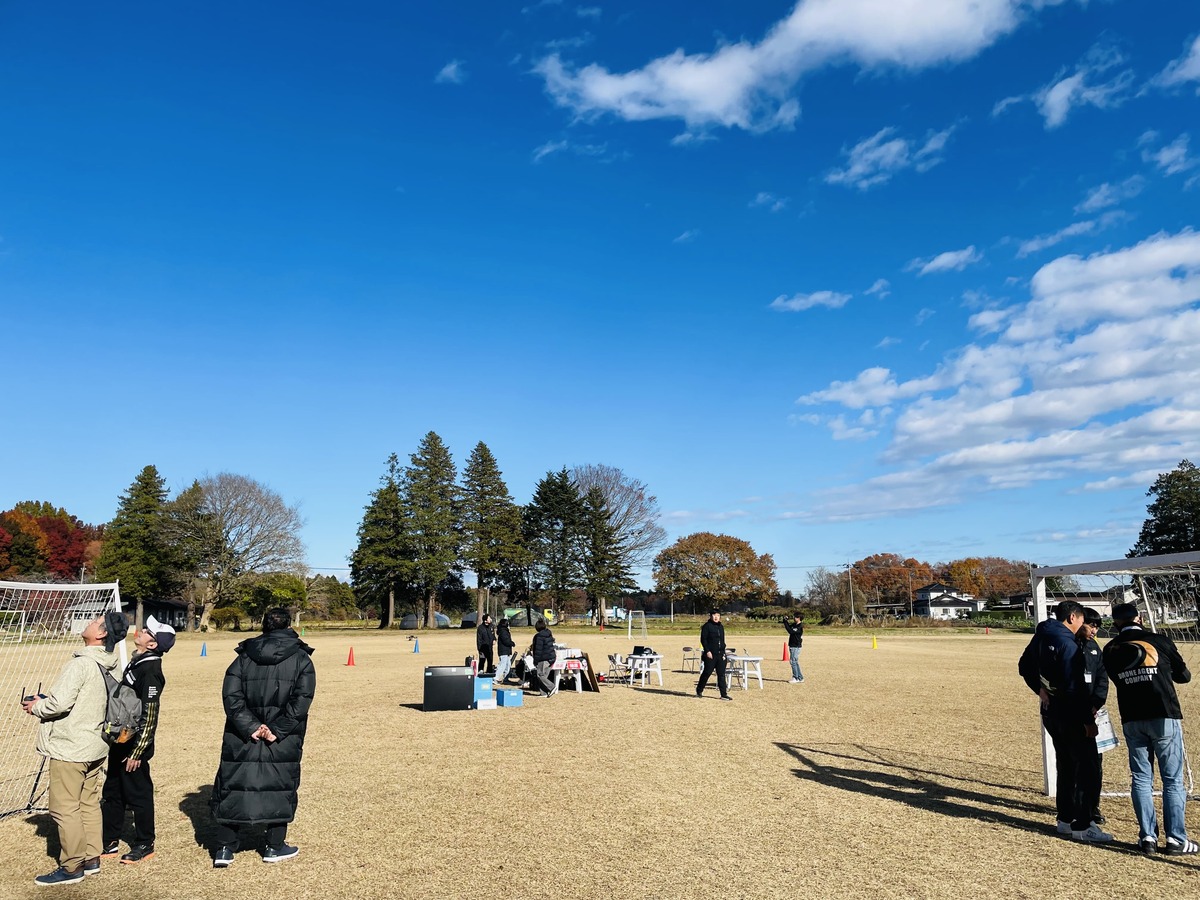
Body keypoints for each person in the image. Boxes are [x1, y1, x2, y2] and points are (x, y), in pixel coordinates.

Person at [21, 612, 123, 886]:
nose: (88, 622)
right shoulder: (113, 663)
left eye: (94, 621)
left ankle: (71, 866)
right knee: (88, 802)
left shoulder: (80, 664)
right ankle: (91, 858)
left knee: (64, 807)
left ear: (101, 634)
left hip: (71, 747)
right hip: (96, 745)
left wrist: (36, 707)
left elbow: (58, 705)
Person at [210, 607, 316, 868]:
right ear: (288, 624)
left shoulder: (244, 657)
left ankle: (225, 847)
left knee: (234, 782)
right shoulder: (302, 659)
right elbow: (301, 701)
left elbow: (231, 696)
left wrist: (252, 726)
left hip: (245, 732)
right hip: (278, 735)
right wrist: (274, 729)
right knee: (280, 783)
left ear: (264, 624)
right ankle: (274, 845)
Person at [1102, 601, 1196, 856]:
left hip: (1132, 717)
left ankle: (1147, 837)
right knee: (1172, 779)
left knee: (1141, 778)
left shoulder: (1109, 649)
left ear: (1115, 623)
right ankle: (1176, 839)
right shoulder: (1159, 641)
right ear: (1140, 618)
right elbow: (1184, 676)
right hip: (1163, 715)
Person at [1024, 600, 1109, 842]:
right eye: (1083, 619)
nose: (1085, 625)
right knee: (1087, 767)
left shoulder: (1041, 635)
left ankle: (1065, 820)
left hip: (1052, 714)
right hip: (1072, 715)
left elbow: (1024, 665)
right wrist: (1087, 721)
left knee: (1066, 765)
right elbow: (1075, 688)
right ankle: (1084, 825)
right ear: (1072, 617)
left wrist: (1038, 689)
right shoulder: (1067, 643)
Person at [101, 615, 176, 865]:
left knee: (138, 793)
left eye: (147, 631)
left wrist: (138, 752)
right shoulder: (137, 661)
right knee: (112, 790)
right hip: (120, 740)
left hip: (135, 746)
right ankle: (109, 839)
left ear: (153, 644)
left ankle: (145, 843)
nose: (141, 631)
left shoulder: (151, 672)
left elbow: (150, 714)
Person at [1075, 607, 1108, 829]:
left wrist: (1097, 704)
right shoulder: (1069, 645)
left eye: (1097, 626)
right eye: (1091, 625)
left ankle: (1092, 806)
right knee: (1074, 762)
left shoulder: (1096, 648)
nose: (1094, 630)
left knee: (1095, 762)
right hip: (1072, 713)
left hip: (1094, 713)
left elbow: (1102, 680)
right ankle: (1074, 806)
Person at [696, 610, 732, 701]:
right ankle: (699, 690)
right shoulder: (707, 626)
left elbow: (722, 640)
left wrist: (724, 651)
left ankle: (723, 694)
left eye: (718, 615)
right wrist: (707, 651)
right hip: (711, 654)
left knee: (721, 674)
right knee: (707, 673)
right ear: (711, 616)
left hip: (721, 654)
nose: (716, 617)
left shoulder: (721, 627)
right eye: (714, 615)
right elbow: (703, 640)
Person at [529, 618, 558, 698]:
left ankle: (552, 687)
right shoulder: (548, 633)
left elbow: (538, 650)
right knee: (544, 676)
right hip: (551, 657)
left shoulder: (539, 636)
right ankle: (544, 693)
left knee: (540, 675)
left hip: (544, 658)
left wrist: (536, 661)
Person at [783, 613, 805, 683]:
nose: (793, 618)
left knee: (793, 662)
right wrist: (785, 621)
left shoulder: (799, 626)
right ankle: (800, 677)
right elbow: (789, 627)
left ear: (798, 618)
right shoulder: (794, 625)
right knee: (795, 662)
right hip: (792, 645)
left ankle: (795, 677)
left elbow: (790, 631)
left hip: (796, 646)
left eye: (795, 617)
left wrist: (786, 622)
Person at [494, 616, 515, 684]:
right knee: (502, 665)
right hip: (503, 651)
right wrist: (512, 643)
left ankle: (506, 678)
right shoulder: (503, 632)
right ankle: (495, 678)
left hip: (506, 651)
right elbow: (506, 641)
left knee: (508, 665)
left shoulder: (504, 631)